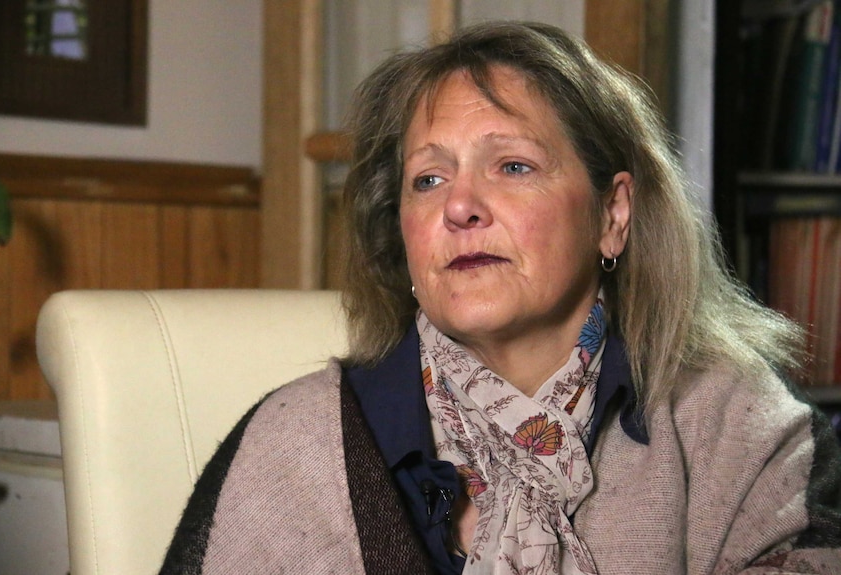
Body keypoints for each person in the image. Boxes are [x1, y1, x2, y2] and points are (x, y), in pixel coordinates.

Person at [160, 21, 841, 574]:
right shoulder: (292, 442)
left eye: (512, 166)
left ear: (613, 214)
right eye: (427, 179)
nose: (459, 206)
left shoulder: (739, 428)